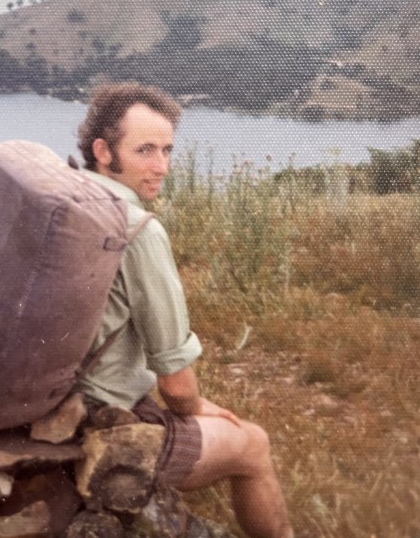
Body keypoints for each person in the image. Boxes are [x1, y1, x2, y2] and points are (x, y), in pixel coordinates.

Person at [75, 82, 293, 538]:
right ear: (103, 150)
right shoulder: (137, 231)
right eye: (145, 151)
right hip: (104, 418)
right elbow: (175, 385)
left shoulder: (71, 197)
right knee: (253, 445)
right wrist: (200, 407)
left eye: (167, 150)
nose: (162, 167)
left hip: (54, 401)